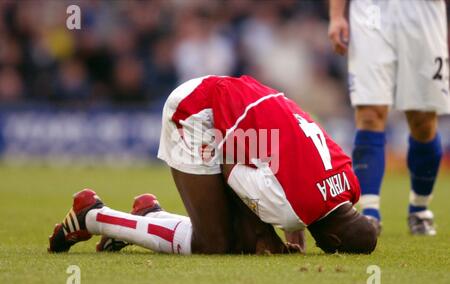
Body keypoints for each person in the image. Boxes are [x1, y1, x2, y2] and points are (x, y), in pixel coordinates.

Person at [48, 75, 377, 255]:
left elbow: (297, 173)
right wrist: (263, 233)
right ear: (332, 242)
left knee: (240, 240)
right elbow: (230, 165)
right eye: (328, 250)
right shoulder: (289, 208)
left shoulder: (349, 183)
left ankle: (149, 218)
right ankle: (92, 216)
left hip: (243, 97)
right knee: (215, 244)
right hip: (197, 112)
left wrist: (272, 231)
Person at [328, 0, 449, 235]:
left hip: (423, 11)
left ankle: (420, 208)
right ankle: (369, 213)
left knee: (422, 118)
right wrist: (336, 15)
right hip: (369, 12)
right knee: (370, 113)